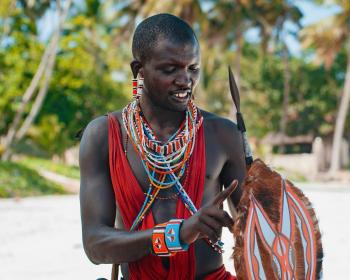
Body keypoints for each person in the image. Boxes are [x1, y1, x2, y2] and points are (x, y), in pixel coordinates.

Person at [79, 13, 246, 280]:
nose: (185, 80)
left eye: (193, 68)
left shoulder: (222, 134)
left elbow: (257, 232)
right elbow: (95, 245)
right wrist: (176, 235)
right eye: (170, 69)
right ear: (139, 71)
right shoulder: (104, 135)